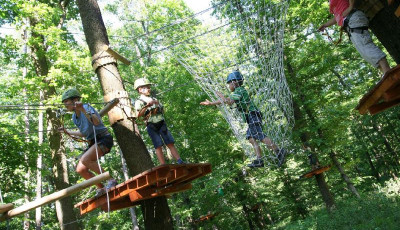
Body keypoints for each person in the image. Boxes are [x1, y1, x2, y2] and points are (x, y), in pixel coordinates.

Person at [200, 71, 286, 168]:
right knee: (251, 138)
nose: (229, 86)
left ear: (235, 82)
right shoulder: (238, 92)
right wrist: (212, 103)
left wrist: (220, 96)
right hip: (250, 117)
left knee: (259, 134)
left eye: (229, 84)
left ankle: (278, 150)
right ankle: (259, 160)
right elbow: (229, 100)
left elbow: (229, 102)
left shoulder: (240, 90)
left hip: (253, 114)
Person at [59, 88, 117, 196]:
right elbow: (84, 133)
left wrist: (83, 110)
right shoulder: (74, 117)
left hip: (103, 139)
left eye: (67, 102)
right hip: (93, 142)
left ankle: (111, 180)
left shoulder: (86, 107)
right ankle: (101, 188)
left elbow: (96, 121)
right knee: (80, 169)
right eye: (64, 103)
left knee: (85, 159)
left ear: (75, 100)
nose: (65, 105)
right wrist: (67, 131)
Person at [319, 0, 390, 74]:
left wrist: (350, 7)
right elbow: (337, 17)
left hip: (353, 18)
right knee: (364, 53)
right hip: (350, 25)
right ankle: (386, 74)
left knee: (366, 46)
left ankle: (388, 72)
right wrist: (325, 25)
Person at [133, 78, 185, 165]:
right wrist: (147, 106)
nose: (149, 89)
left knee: (170, 142)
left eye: (149, 87)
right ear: (140, 89)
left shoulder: (154, 98)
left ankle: (179, 160)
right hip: (151, 125)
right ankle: (163, 164)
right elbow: (139, 115)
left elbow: (162, 110)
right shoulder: (139, 101)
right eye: (146, 87)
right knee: (158, 145)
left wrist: (158, 105)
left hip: (161, 122)